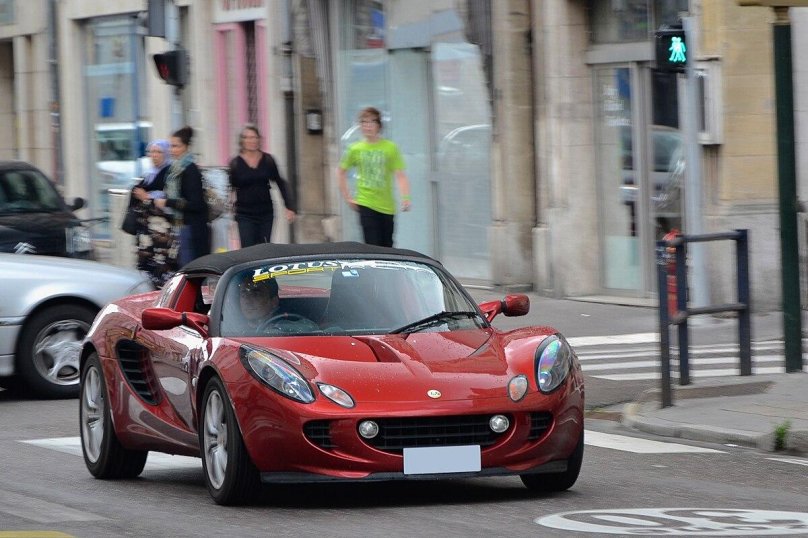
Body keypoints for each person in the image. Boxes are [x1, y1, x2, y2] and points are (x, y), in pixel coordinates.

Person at [136, 126, 210, 266]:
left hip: (192, 228)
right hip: (180, 227)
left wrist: (166, 202)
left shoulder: (190, 170)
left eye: (176, 146)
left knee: (190, 268)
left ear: (186, 147)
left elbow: (195, 203)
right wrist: (141, 190)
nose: (172, 150)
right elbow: (155, 183)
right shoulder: (174, 169)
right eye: (171, 146)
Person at [337, 106, 411, 247]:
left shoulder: (390, 148)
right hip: (366, 203)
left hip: (387, 206)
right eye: (363, 122)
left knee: (387, 246)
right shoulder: (355, 149)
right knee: (372, 245)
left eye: (371, 122)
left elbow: (400, 175)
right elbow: (341, 171)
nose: (367, 126)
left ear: (379, 125)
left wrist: (406, 198)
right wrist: (348, 197)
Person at [228, 124, 296, 247]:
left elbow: (279, 182)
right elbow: (229, 187)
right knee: (248, 249)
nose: (251, 141)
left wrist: (288, 206)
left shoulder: (268, 160)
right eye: (247, 138)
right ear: (242, 141)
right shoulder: (235, 163)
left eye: (254, 137)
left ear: (259, 139)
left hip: (266, 213)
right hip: (244, 214)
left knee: (264, 247)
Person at [128, 139, 176, 288]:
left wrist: (147, 197)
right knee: (145, 267)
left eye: (159, 152)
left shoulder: (170, 174)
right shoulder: (148, 175)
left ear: (166, 154)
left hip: (161, 234)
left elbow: (169, 200)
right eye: (152, 151)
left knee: (160, 268)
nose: (154, 155)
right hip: (145, 235)